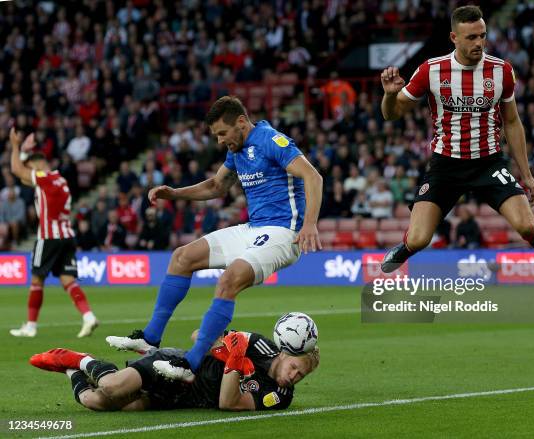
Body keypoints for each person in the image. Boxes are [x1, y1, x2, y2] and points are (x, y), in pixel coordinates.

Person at [107, 96, 323, 382]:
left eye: (223, 133)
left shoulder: (272, 140)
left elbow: (313, 176)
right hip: (254, 228)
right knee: (182, 257)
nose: (220, 141)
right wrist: (175, 193)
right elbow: (216, 185)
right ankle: (150, 338)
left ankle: (190, 364)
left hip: (284, 232)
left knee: (228, 280)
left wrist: (310, 224)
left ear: (242, 123)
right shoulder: (238, 149)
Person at [379, 6, 534, 299]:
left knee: (527, 225)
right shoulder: (431, 70)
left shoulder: (501, 70)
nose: (479, 42)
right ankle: (405, 247)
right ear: (454, 37)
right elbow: (392, 114)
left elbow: (513, 122)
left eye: (483, 36)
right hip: (445, 165)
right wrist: (389, 95)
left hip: (488, 163)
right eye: (471, 37)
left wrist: (526, 175)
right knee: (419, 239)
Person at [30, 330, 319, 412]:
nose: (294, 377)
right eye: (295, 368)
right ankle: (80, 358)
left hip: (181, 398)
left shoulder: (281, 395)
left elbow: (227, 402)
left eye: (301, 376)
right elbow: (198, 337)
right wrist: (227, 347)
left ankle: (71, 370)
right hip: (175, 366)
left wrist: (234, 360)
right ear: (285, 353)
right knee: (112, 389)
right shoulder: (256, 344)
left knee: (93, 402)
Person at [8, 128, 98, 338]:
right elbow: (25, 177)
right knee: (68, 280)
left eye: (31, 166)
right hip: (67, 236)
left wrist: (15, 146)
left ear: (38, 165)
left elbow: (17, 171)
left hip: (48, 237)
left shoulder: (44, 179)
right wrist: (26, 152)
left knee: (36, 281)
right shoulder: (60, 180)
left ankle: (30, 326)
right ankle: (88, 316)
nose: (29, 170)